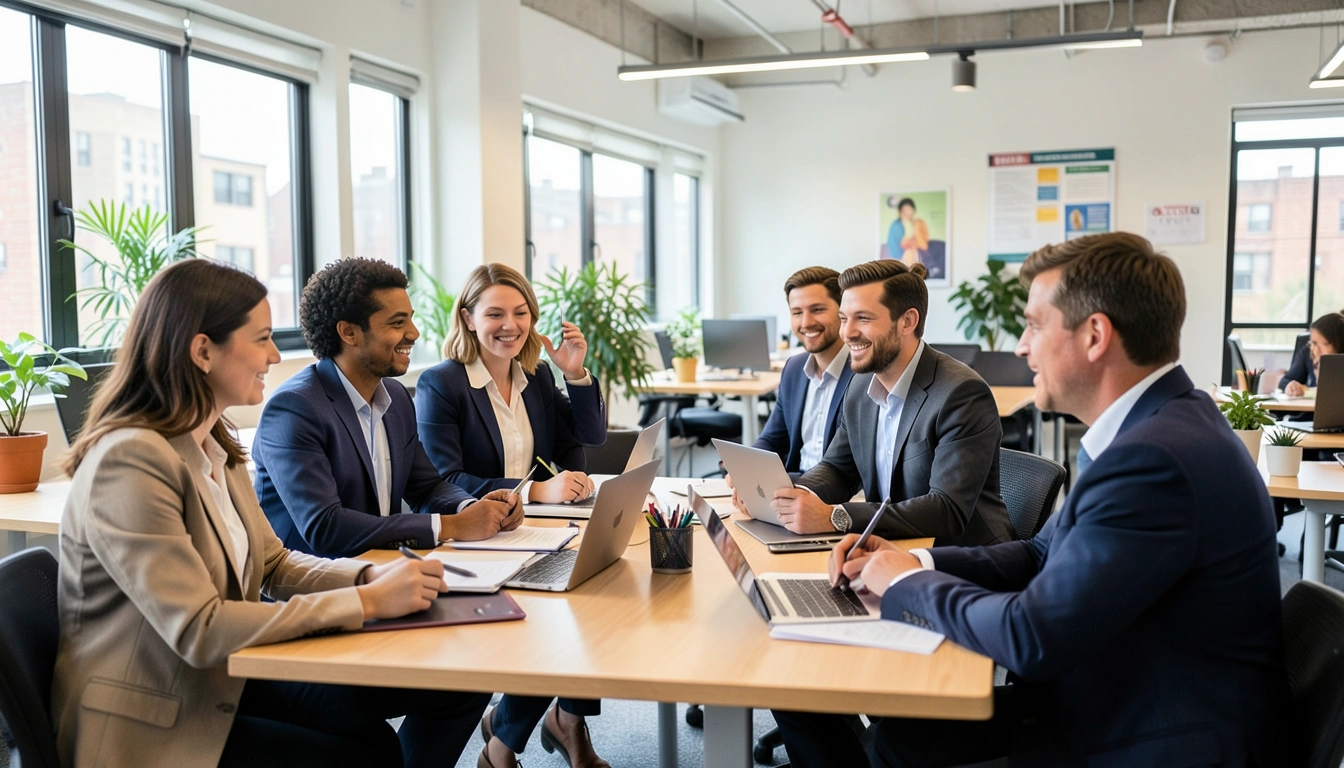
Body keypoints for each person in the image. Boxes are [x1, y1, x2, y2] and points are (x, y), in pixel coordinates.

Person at [779, 232, 1287, 767]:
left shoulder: (1156, 458)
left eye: (1035, 325)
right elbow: (1040, 553)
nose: (1021, 346)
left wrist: (904, 583)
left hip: (1155, 733)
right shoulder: (1151, 426)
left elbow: (1030, 636)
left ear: (1095, 336)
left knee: (896, 740)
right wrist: (913, 559)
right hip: (1118, 688)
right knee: (887, 730)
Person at [51, 259, 491, 768]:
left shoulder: (215, 442)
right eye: (261, 339)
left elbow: (275, 564)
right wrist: (367, 601)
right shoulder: (130, 460)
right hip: (160, 714)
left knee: (434, 695)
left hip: (229, 677)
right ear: (202, 351)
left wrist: (373, 572)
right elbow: (200, 630)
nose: (276, 354)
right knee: (365, 754)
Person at [414, 262, 608, 768]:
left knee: (593, 596)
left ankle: (544, 726)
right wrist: (537, 490)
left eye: (521, 312)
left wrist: (575, 375)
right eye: (495, 313)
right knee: (561, 620)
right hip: (473, 536)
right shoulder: (442, 384)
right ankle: (517, 737)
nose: (510, 325)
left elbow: (585, 442)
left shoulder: (537, 379)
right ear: (468, 318)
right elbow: (442, 479)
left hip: (535, 532)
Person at [253, 257, 523, 559]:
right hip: (313, 594)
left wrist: (473, 507)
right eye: (398, 322)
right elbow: (325, 527)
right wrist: (452, 526)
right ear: (349, 333)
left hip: (386, 573)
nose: (414, 333)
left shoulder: (395, 397)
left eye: (410, 318)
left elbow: (427, 488)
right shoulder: (295, 409)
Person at [746, 259, 1013, 546]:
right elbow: (838, 470)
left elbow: (946, 510)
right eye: (844, 318)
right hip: (888, 548)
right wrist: (788, 496)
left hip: (960, 559)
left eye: (863, 318)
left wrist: (835, 516)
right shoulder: (861, 386)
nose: (846, 333)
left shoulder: (961, 393)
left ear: (907, 321)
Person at [750, 266, 854, 474]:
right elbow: (772, 440)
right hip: (793, 487)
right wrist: (747, 470)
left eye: (817, 310)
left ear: (842, 311)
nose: (806, 322)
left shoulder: (864, 372)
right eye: (797, 313)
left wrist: (794, 485)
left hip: (840, 496)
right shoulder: (794, 369)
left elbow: (853, 467)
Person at [1280, 311, 1344, 396]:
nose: (1314, 349)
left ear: (1337, 344)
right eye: (1312, 343)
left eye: (1319, 344)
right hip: (1308, 408)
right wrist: (1290, 386)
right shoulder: (1307, 353)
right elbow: (1286, 380)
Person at [885, 197, 929, 265]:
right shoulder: (896, 225)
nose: (906, 213)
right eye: (903, 210)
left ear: (913, 210)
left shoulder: (919, 223)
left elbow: (923, 245)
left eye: (908, 209)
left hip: (917, 254)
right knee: (909, 251)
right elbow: (901, 245)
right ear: (900, 212)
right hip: (900, 256)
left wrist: (916, 230)